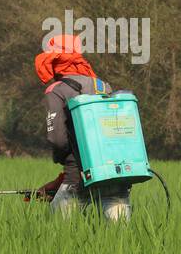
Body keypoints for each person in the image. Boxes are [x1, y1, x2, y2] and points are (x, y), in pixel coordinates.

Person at [34, 34, 132, 221]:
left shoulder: (56, 90)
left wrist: (64, 164)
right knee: (121, 240)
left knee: (58, 239)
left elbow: (58, 139)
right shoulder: (103, 86)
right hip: (115, 175)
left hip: (77, 178)